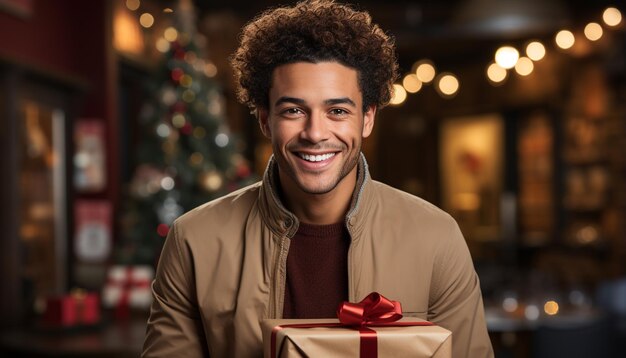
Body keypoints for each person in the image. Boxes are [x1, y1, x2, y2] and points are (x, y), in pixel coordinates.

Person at [142, 0, 494, 357]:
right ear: (265, 119)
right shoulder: (193, 241)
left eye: (337, 111)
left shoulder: (436, 238)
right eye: (294, 110)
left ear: (367, 118)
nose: (315, 132)